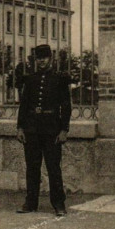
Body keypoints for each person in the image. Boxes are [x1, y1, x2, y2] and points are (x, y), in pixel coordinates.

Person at [16, 44, 71, 217]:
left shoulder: (59, 80)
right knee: (32, 167)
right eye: (38, 58)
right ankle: (31, 202)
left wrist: (64, 129)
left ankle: (59, 204)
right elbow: (24, 105)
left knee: (53, 168)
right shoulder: (30, 80)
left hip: (52, 130)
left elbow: (66, 106)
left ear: (51, 59)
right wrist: (20, 127)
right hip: (32, 129)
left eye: (44, 57)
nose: (41, 61)